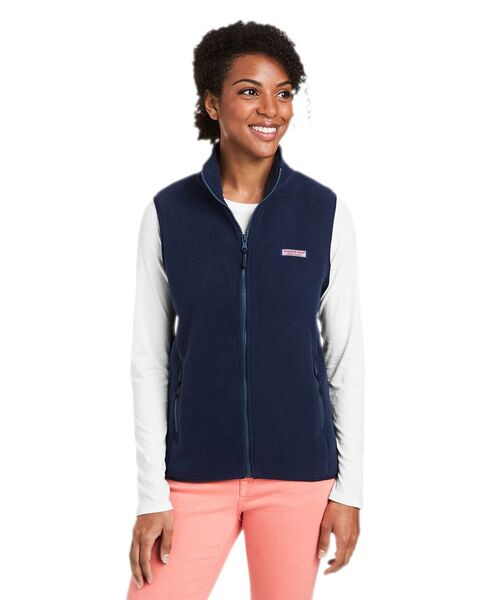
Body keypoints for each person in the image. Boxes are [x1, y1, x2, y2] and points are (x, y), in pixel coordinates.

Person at [126, 20, 365, 600]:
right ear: (212, 103)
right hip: (192, 479)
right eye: (249, 91)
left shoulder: (323, 213)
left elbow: (344, 360)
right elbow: (149, 360)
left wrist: (349, 491)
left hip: (298, 478)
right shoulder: (169, 213)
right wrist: (151, 496)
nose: (271, 109)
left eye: (283, 92)